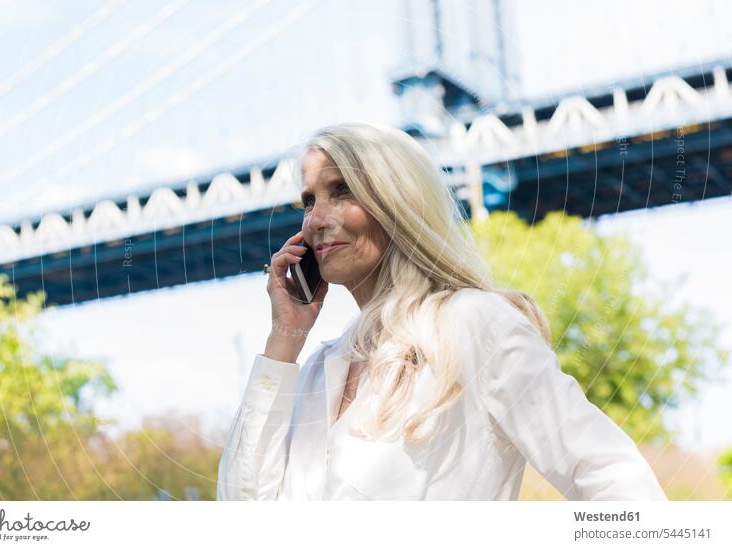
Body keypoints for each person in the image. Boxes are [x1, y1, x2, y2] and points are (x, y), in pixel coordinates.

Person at [216, 121, 668, 501]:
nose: (315, 220)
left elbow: (613, 477)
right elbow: (242, 508)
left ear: (397, 202)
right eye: (309, 200)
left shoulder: (472, 324)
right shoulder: (315, 369)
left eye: (343, 191)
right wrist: (285, 339)